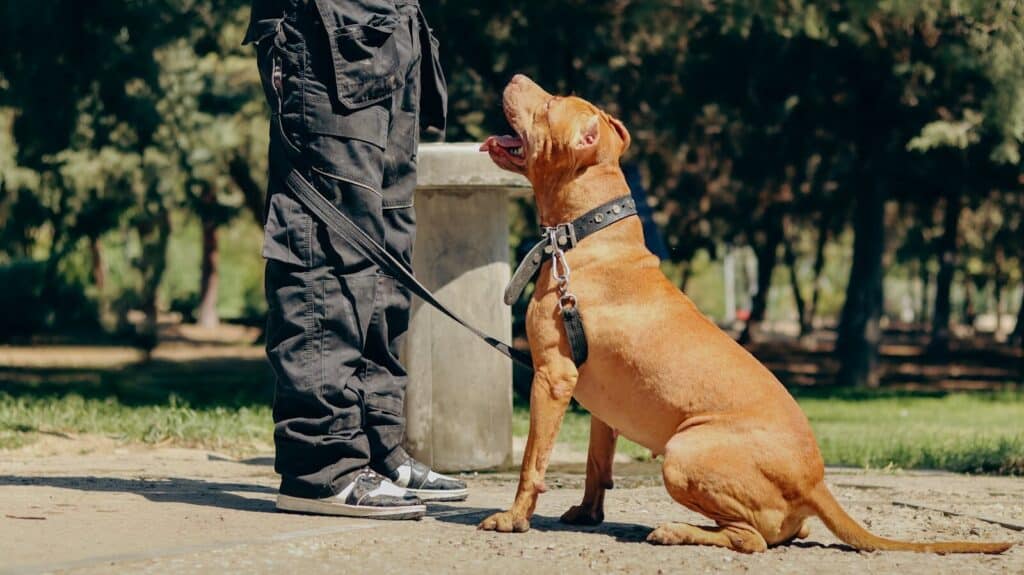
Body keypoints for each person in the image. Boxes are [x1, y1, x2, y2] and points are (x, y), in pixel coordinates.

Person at [244, 0, 466, 520]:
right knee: (328, 244)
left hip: (390, 28)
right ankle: (322, 462)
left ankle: (375, 444)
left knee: (386, 246)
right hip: (326, 28)